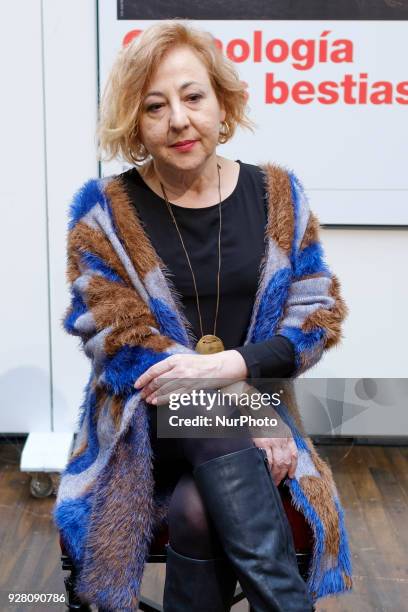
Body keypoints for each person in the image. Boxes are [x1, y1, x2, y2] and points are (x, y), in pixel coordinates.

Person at [53, 19, 352, 612]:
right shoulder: (103, 215)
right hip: (142, 430)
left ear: (223, 102)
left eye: (193, 97)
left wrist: (237, 371)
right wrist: (240, 403)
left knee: (197, 510)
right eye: (154, 106)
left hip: (245, 425)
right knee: (204, 419)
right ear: (135, 124)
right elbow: (119, 342)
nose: (179, 120)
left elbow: (318, 314)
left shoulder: (280, 197)